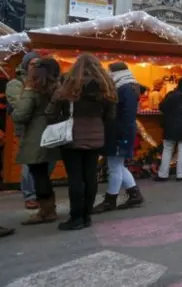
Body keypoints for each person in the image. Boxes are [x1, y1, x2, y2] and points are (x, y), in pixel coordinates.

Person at [46, 53, 117, 230]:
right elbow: (111, 116)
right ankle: (86, 216)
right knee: (90, 176)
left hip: (72, 137)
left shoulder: (67, 87)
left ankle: (76, 217)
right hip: (96, 137)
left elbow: (51, 113)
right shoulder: (106, 88)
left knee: (76, 178)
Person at [11, 57, 61, 225]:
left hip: (36, 136)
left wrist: (15, 110)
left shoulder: (32, 90)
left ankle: (46, 211)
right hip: (53, 134)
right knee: (44, 173)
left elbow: (20, 115)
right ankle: (49, 208)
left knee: (38, 174)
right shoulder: (58, 88)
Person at [93, 62, 144, 213]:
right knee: (118, 165)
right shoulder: (129, 86)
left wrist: (122, 135)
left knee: (114, 166)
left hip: (119, 132)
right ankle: (134, 194)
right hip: (121, 131)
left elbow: (126, 115)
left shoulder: (124, 88)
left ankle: (111, 200)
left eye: (109, 71)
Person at [6, 52, 41, 210]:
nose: (35, 66)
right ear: (26, 65)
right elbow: (19, 108)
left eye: (38, 64)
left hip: (42, 128)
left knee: (43, 162)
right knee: (29, 163)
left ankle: (40, 193)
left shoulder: (42, 81)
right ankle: (30, 195)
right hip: (26, 129)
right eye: (33, 63)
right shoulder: (16, 83)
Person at [155, 76, 182, 181]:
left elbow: (161, 107)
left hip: (170, 126)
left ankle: (163, 174)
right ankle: (180, 175)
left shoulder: (171, 95)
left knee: (167, 149)